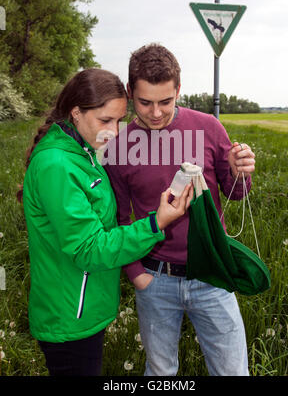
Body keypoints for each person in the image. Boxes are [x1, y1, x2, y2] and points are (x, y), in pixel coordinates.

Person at [18, 68, 193, 377]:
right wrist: (156, 224)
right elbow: (90, 249)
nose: (114, 131)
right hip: (69, 317)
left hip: (83, 308)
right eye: (105, 121)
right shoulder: (57, 165)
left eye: (118, 120)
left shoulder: (84, 151)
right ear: (76, 112)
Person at [104, 44, 256, 376]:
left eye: (165, 101)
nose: (156, 113)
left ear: (178, 90)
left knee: (233, 370)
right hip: (154, 278)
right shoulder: (118, 146)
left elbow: (234, 193)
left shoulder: (209, 128)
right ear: (131, 93)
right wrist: (137, 276)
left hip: (212, 273)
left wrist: (237, 171)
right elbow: (120, 219)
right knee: (160, 372)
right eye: (145, 102)